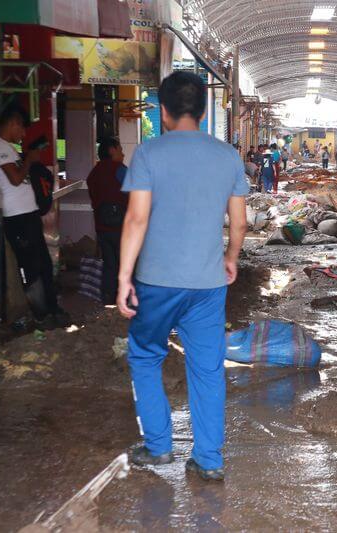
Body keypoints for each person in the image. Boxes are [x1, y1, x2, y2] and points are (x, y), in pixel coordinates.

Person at [117, 71, 248, 481]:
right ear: (204, 111)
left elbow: (137, 218)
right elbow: (240, 223)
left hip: (156, 281)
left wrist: (124, 277)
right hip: (207, 284)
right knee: (207, 368)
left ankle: (159, 448)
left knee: (144, 355)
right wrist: (231, 257)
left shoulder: (148, 154)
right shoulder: (227, 155)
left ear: (164, 110)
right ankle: (208, 459)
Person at [0, 106, 66, 327]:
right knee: (31, 268)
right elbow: (14, 178)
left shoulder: (7, 148)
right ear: (13, 123)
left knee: (43, 264)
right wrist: (29, 160)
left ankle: (52, 309)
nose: (23, 134)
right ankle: (41, 315)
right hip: (17, 218)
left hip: (28, 216)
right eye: (21, 129)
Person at [87, 137, 129, 304]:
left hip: (101, 226)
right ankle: (124, 297)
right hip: (121, 227)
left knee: (109, 263)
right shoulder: (120, 170)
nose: (123, 154)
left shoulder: (94, 173)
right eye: (120, 149)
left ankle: (107, 296)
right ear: (111, 150)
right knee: (125, 263)